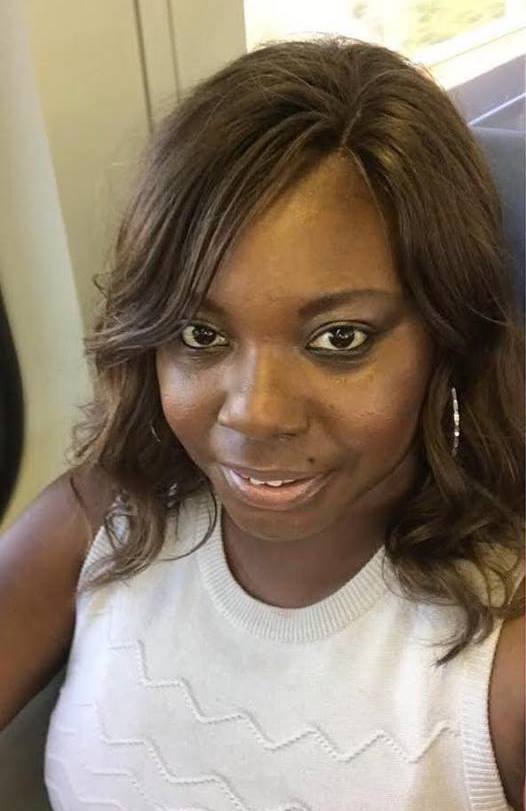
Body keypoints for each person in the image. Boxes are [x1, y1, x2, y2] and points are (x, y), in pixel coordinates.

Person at [0, 37, 524, 811]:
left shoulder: (505, 657)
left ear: (446, 342)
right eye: (201, 335)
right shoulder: (102, 515)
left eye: (339, 339)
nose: (255, 411)